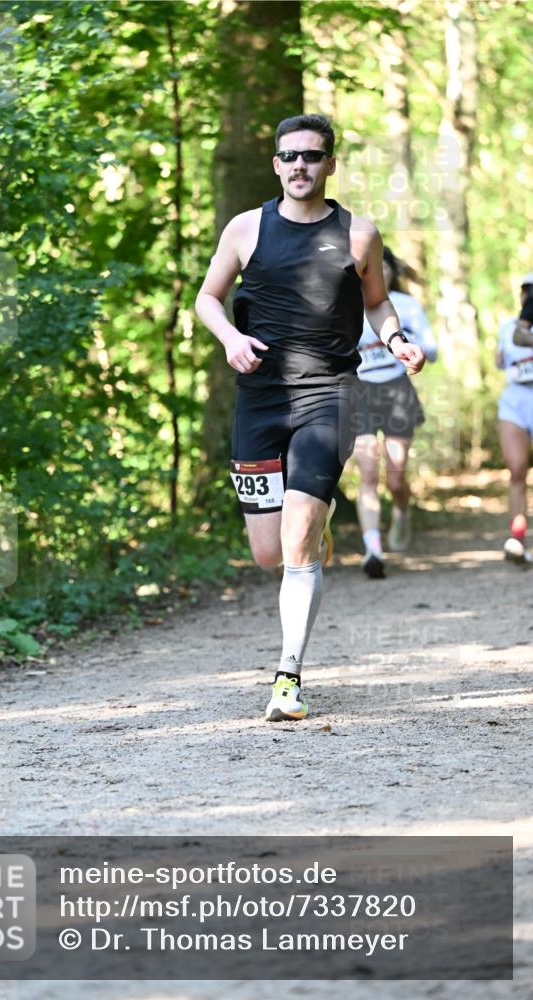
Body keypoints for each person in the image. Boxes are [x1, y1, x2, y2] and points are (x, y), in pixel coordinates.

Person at [195, 113, 425, 722]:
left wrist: (397, 338)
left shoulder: (358, 234)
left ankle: (287, 679)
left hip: (331, 394)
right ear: (276, 164)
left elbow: (377, 305)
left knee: (296, 548)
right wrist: (227, 339)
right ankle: (315, 533)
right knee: (269, 553)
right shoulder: (246, 229)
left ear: (330, 164)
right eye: (290, 156)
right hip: (260, 397)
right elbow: (207, 297)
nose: (301, 165)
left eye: (313, 156)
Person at [352, 247, 438, 578]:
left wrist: (407, 341)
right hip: (360, 391)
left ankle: (402, 511)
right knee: (369, 472)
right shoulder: (347, 306)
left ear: (389, 270)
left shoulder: (406, 305)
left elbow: (432, 350)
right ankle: (372, 549)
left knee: (396, 475)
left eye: (383, 267)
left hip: (396, 390)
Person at [496, 273, 533, 564]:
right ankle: (517, 538)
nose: (529, 297)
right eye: (526, 291)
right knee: (518, 469)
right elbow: (500, 361)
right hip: (515, 400)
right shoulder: (507, 326)